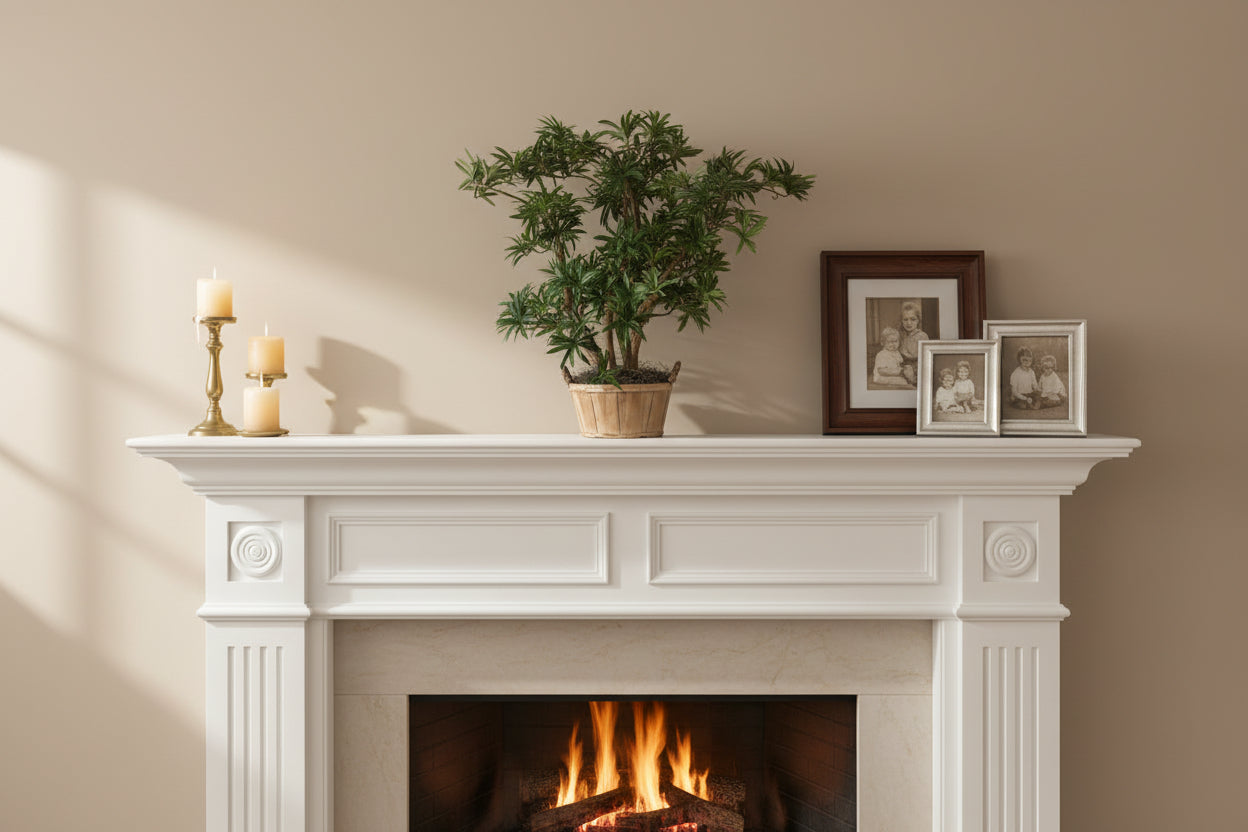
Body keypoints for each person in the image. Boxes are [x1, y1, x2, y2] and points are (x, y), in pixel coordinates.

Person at [898, 301, 928, 385]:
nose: (909, 323)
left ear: (918, 320)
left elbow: (923, 358)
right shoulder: (901, 335)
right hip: (902, 365)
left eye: (913, 319)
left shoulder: (922, 336)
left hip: (917, 367)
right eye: (905, 319)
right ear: (902, 321)